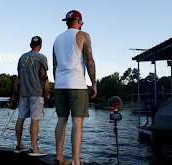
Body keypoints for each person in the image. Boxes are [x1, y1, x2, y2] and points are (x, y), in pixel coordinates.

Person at [53, 10, 97, 165]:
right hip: (77, 85)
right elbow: (89, 60)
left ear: (67, 22)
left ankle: (58, 157)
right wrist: (94, 83)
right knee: (77, 122)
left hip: (60, 85)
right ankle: (75, 161)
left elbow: (54, 66)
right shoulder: (83, 35)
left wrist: (58, 83)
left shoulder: (57, 40)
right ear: (79, 21)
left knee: (61, 121)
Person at [15, 36, 50, 156]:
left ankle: (19, 144)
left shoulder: (22, 58)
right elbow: (44, 77)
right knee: (35, 120)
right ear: (40, 46)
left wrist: (17, 92)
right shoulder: (42, 58)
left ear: (30, 45)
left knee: (20, 118)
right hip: (36, 93)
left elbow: (18, 79)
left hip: (23, 93)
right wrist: (47, 92)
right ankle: (34, 148)